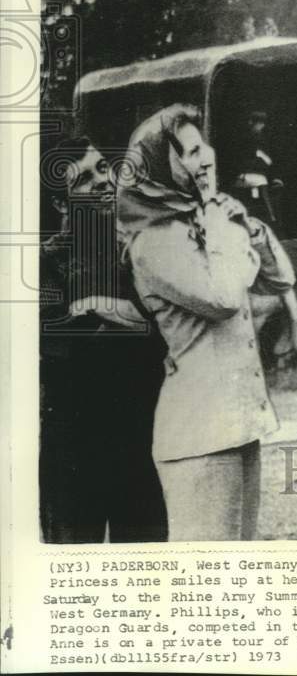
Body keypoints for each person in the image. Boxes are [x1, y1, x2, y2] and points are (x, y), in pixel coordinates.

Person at [117, 104, 296, 541]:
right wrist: (221, 226)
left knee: (236, 577)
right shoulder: (152, 242)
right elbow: (223, 299)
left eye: (205, 147)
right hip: (198, 437)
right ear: (162, 165)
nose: (207, 158)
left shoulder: (203, 221)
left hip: (237, 426)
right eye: (192, 152)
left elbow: (280, 278)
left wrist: (248, 228)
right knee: (208, 585)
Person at [39, 136, 167, 543]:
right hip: (74, 456)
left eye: (102, 168)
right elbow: (62, 347)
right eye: (84, 180)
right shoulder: (45, 266)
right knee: (73, 582)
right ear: (61, 205)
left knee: (146, 579)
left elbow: (169, 330)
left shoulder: (139, 250)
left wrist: (97, 306)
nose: (103, 182)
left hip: (141, 447)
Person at [231, 110, 285, 231]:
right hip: (246, 175)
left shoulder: (263, 139)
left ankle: (272, 218)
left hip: (259, 174)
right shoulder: (246, 139)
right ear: (252, 123)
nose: (261, 126)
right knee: (261, 182)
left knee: (266, 183)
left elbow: (270, 162)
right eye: (259, 123)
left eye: (262, 123)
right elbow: (242, 160)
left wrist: (264, 160)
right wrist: (259, 158)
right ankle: (271, 216)